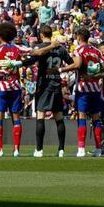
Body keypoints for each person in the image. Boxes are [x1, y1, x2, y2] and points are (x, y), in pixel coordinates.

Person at [0, 22, 62, 157]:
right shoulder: (18, 48)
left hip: (1, 88)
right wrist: (52, 45)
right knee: (16, 118)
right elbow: (37, 52)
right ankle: (16, 150)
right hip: (15, 87)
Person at [25, 24, 71, 157]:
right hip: (56, 84)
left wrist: (18, 64)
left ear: (41, 35)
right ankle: (61, 150)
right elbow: (71, 62)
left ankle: (39, 150)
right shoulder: (61, 49)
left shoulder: (39, 47)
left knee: (41, 116)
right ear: (51, 35)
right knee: (59, 118)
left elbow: (31, 59)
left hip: (43, 85)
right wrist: (60, 70)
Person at [59, 27, 103, 157]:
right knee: (96, 118)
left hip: (83, 89)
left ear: (78, 37)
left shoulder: (78, 50)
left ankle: (81, 149)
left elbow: (77, 65)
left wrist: (62, 69)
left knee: (82, 116)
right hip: (95, 88)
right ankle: (98, 149)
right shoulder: (97, 51)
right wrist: (95, 76)